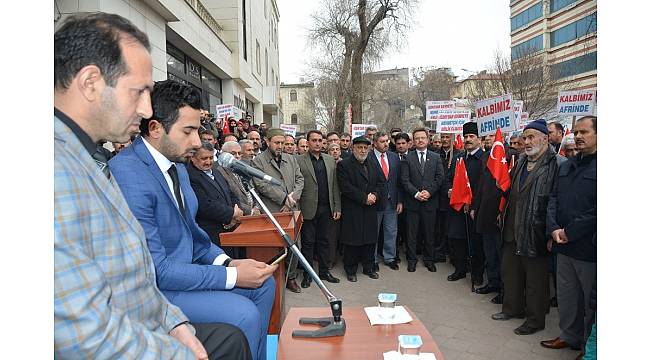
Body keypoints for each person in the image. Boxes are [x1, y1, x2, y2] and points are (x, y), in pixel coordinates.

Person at [54, 13, 251, 359]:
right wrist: (178, 351)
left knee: (233, 338)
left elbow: (135, 270)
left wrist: (174, 323)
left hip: (152, 319)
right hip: (130, 337)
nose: (147, 110)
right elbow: (80, 332)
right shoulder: (54, 167)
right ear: (90, 83)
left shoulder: (86, 155)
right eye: (139, 92)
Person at [110, 80, 276, 360]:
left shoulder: (178, 166)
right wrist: (233, 275)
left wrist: (230, 262)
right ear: (155, 128)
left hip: (185, 277)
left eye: (198, 130)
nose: (198, 142)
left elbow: (195, 237)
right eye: (188, 131)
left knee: (264, 285)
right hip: (158, 292)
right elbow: (156, 270)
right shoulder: (128, 174)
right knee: (244, 314)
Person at [491, 119, 565, 336]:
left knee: (535, 281)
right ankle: (512, 308)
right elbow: (513, 191)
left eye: (532, 137)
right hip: (512, 227)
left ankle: (535, 320)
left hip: (536, 230)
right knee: (511, 272)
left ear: (545, 138)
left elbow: (557, 200)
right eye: (525, 138)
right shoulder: (521, 160)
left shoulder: (557, 163)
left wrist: (553, 229)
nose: (527, 141)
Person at [541, 116, 597, 358]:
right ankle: (568, 335)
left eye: (585, 131)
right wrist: (553, 227)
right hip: (563, 246)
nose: (579, 136)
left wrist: (570, 231)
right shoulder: (567, 166)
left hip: (588, 248)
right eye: (576, 132)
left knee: (590, 303)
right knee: (567, 295)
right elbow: (553, 198)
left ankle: (587, 348)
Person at [251, 128, 305, 294]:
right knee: (275, 248)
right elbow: (261, 185)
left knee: (295, 246)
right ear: (267, 142)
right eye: (277, 142)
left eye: (282, 142)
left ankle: (290, 277)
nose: (280, 146)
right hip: (273, 211)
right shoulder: (258, 161)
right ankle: (272, 280)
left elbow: (299, 180)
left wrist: (291, 199)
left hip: (291, 209)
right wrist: (283, 199)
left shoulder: (291, 159)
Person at [296, 130, 341, 287]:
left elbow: (335, 185)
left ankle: (324, 272)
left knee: (324, 241)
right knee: (308, 243)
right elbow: (297, 184)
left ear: (323, 142)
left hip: (326, 208)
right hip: (308, 209)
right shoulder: (299, 160)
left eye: (319, 140)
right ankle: (308, 274)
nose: (317, 143)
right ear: (307, 142)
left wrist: (337, 206)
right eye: (313, 140)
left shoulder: (329, 160)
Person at [338, 136, 386, 281]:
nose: (362, 150)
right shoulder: (344, 165)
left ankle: (368, 268)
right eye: (359, 147)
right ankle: (351, 270)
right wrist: (364, 198)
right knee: (352, 241)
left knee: (370, 240)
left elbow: (381, 182)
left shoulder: (373, 163)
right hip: (354, 208)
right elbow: (345, 187)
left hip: (370, 208)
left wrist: (375, 195)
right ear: (353, 148)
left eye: (365, 147)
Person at [445, 122, 486, 285]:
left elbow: (485, 187)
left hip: (475, 208)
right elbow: (448, 178)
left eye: (471, 136)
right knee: (458, 240)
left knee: (476, 242)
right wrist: (449, 189)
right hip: (458, 206)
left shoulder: (485, 159)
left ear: (478, 139)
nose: (468, 139)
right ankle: (460, 270)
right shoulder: (458, 158)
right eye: (466, 136)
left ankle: (477, 274)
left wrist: (473, 204)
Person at [400, 127, 445, 273]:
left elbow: (440, 178)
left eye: (422, 138)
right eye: (417, 138)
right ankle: (412, 260)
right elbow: (405, 180)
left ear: (428, 140)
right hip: (413, 202)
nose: (420, 140)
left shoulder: (436, 157)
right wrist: (416, 194)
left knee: (429, 233)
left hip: (430, 202)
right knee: (412, 234)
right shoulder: (408, 158)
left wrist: (429, 192)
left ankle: (429, 260)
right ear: (413, 141)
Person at [188, 141, 243, 258]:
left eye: (210, 157)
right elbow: (204, 204)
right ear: (193, 158)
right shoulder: (190, 176)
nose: (208, 162)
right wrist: (231, 214)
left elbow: (231, 194)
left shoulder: (217, 172)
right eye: (204, 158)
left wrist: (237, 211)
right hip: (211, 233)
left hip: (230, 230)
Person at [471, 133, 506, 303]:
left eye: (491, 136)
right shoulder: (485, 157)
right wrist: (474, 207)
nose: (487, 139)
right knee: (490, 252)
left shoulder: (508, 156)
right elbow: (480, 186)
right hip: (484, 211)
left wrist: (504, 210)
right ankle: (492, 282)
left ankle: (504, 288)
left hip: (499, 213)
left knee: (501, 254)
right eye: (485, 136)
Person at [368, 132, 402, 270]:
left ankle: (389, 257)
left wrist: (400, 201)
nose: (386, 143)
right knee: (373, 232)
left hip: (391, 201)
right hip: (375, 201)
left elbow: (398, 181)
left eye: (387, 141)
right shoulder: (368, 157)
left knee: (391, 231)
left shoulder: (394, 157)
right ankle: (372, 259)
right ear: (375, 143)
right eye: (382, 141)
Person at [218, 141, 260, 217]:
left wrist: (257, 207)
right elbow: (230, 199)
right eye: (233, 153)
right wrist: (251, 211)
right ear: (223, 155)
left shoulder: (242, 170)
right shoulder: (220, 173)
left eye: (239, 153)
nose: (237, 156)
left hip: (253, 216)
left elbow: (254, 190)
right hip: (238, 217)